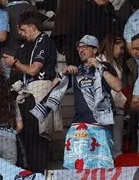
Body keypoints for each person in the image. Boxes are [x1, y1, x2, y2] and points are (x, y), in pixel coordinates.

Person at [30, 35, 121, 170]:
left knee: (102, 167)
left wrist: (99, 67)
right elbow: (52, 89)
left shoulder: (105, 66)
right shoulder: (76, 71)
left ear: (95, 50)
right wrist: (62, 73)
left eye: (85, 47)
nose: (81, 50)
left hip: (100, 125)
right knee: (74, 167)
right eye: (79, 47)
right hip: (79, 125)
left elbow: (118, 86)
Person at [2, 12, 57, 172]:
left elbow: (34, 70)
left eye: (24, 29)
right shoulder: (33, 44)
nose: (21, 33)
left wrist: (15, 63)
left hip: (39, 93)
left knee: (38, 137)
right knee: (30, 136)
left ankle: (39, 174)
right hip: (30, 93)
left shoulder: (44, 42)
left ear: (33, 26)